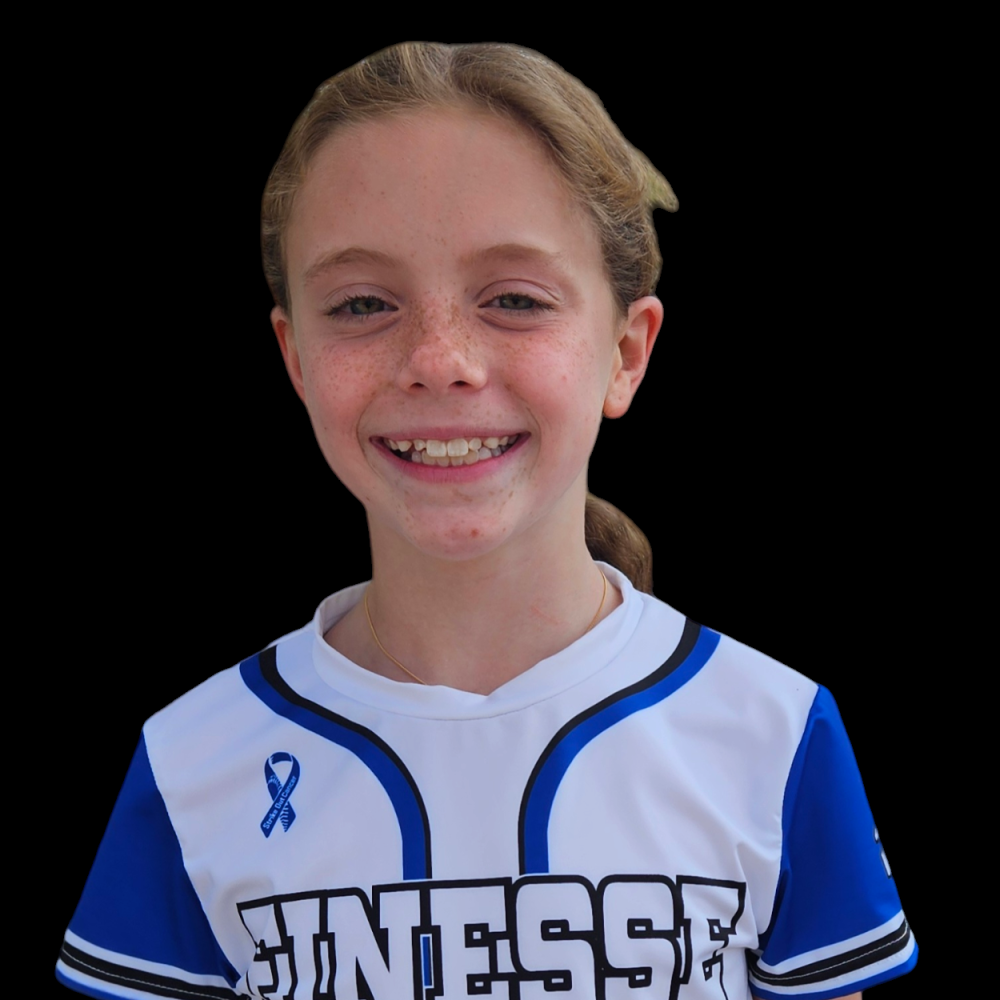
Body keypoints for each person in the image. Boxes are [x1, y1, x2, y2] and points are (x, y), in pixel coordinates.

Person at [55, 42, 916, 1000]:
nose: (439, 360)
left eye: (514, 299)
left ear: (627, 353)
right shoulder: (192, 761)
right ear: (295, 360)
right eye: (362, 303)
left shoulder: (775, 732)